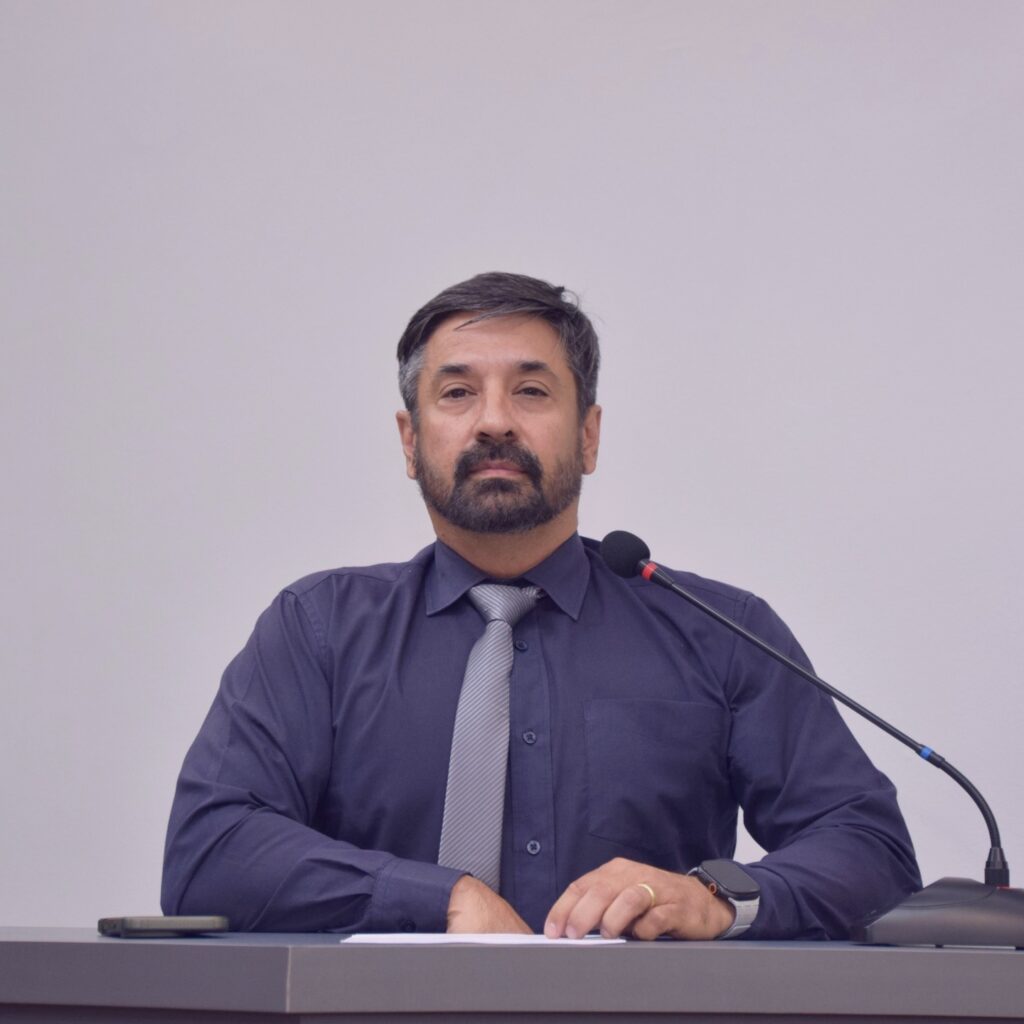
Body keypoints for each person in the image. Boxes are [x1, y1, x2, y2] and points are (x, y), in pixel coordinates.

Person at [162, 272, 920, 940]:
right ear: (410, 441)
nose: (494, 421)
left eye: (531, 391)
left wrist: (719, 898)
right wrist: (438, 899)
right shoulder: (318, 630)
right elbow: (212, 851)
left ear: (588, 436)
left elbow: (870, 851)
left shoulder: (719, 632)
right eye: (457, 393)